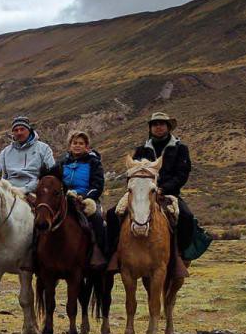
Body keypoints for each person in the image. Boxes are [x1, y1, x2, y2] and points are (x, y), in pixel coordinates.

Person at [125, 111, 211, 265]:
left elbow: (182, 174)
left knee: (186, 217)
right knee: (114, 214)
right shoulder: (141, 150)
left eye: (161, 124)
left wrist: (163, 189)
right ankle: (115, 255)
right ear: (150, 128)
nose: (158, 127)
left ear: (168, 127)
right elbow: (132, 173)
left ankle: (180, 255)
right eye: (155, 124)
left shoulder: (180, 149)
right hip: (142, 194)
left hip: (169, 194)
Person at [0, 115, 56, 272]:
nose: (18, 132)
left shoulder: (43, 149)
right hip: (8, 192)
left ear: (29, 130)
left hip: (33, 191)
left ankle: (37, 255)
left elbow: (49, 174)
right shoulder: (5, 152)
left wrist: (28, 189)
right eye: (15, 130)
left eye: (22, 129)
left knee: (41, 218)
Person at [56, 130, 107, 269]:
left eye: (81, 143)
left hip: (86, 198)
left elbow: (98, 185)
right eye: (74, 143)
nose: (77, 146)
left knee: (96, 218)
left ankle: (100, 253)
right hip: (65, 198)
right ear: (70, 145)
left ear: (87, 146)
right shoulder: (62, 162)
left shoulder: (94, 162)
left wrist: (86, 197)